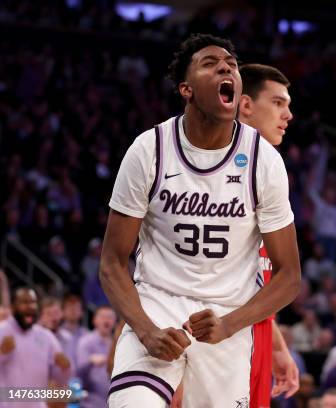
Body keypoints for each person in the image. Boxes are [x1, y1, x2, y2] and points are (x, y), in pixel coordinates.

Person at [101, 33, 300, 408]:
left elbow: (290, 276)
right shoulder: (149, 149)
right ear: (186, 89)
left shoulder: (264, 161)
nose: (226, 66)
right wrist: (144, 330)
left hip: (226, 322)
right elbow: (112, 262)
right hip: (157, 304)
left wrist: (230, 324)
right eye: (210, 63)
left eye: (232, 63)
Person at [239, 63, 299, 407]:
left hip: (258, 327)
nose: (288, 114)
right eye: (278, 103)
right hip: (224, 330)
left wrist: (275, 344)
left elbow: (258, 277)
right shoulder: (216, 167)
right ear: (246, 105)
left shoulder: (269, 166)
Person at [0, 288, 72, 408]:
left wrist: (64, 367)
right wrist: (1, 352)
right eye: (24, 302)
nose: (30, 306)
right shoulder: (2, 331)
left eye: (33, 302)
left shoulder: (46, 336)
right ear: (13, 306)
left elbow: (60, 378)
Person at [76, 305, 117, 408]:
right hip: (91, 404)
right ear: (95, 320)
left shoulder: (117, 344)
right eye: (103, 316)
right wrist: (89, 361)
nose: (106, 320)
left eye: (110, 317)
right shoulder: (85, 342)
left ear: (115, 321)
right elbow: (77, 374)